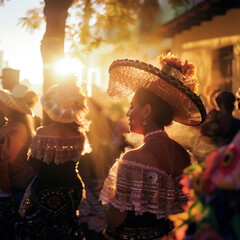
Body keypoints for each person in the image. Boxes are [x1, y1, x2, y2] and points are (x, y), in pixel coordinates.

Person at [99, 54, 206, 239]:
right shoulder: (184, 155)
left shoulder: (132, 159)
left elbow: (115, 219)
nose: (127, 113)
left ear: (147, 110)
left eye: (132, 106)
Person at [17, 79, 91, 239]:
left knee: (41, 228)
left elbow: (34, 164)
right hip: (73, 188)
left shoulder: (43, 132)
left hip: (46, 187)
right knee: (67, 226)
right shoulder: (79, 134)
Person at [0, 84, 38, 239]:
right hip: (14, 182)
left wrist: (5, 189)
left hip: (15, 183)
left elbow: (6, 158)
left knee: (14, 227)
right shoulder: (14, 126)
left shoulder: (17, 128)